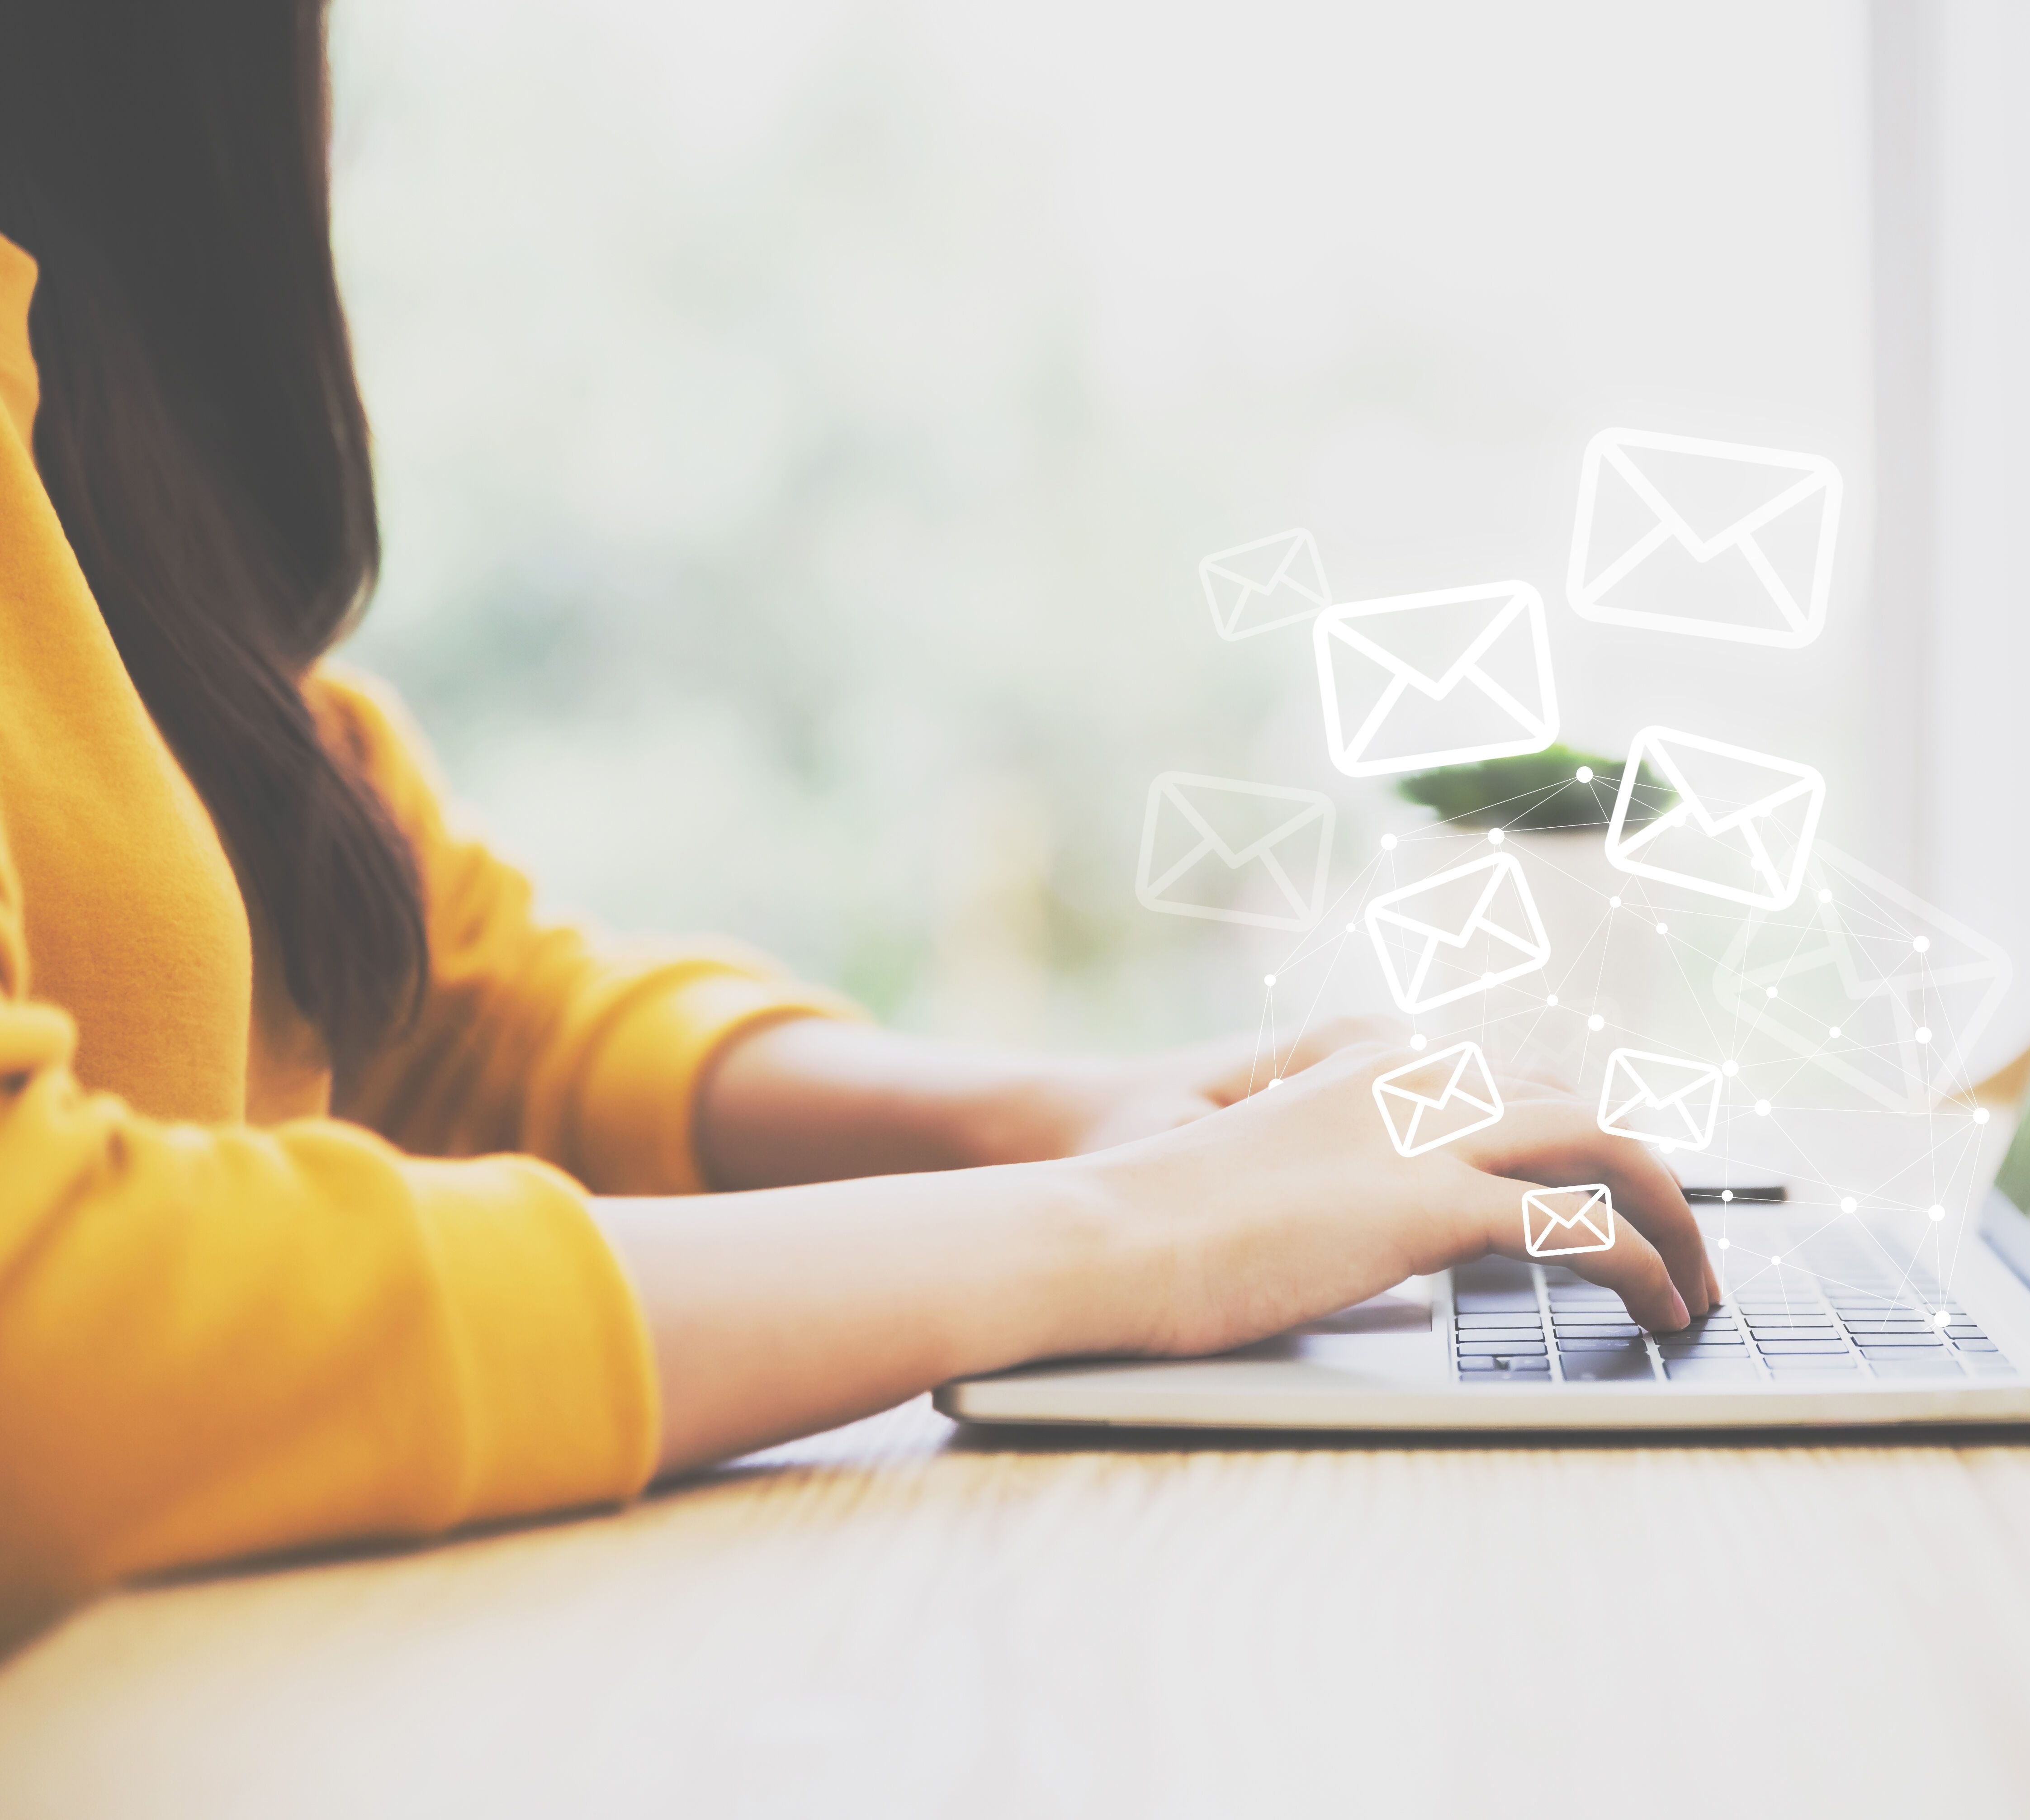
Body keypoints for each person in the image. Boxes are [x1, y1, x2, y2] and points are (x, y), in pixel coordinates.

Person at [0, 1, 1713, 1638]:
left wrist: (1060, 1119)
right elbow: (41, 1324)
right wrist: (1140, 1237)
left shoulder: (77, 365)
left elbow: (435, 1012)